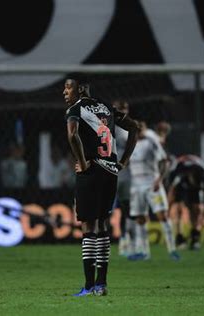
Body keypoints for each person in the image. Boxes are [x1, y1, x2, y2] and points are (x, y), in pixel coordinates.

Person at [63, 78, 139, 296]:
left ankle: (88, 286)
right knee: (103, 225)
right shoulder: (106, 107)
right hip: (110, 171)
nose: (64, 92)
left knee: (88, 226)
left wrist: (83, 162)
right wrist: (123, 162)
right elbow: (134, 128)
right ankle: (102, 284)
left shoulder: (75, 109)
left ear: (80, 89)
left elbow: (72, 135)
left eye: (68, 87)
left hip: (91, 171)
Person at [128, 121, 180, 261]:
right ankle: (143, 252)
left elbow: (164, 161)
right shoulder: (130, 144)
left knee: (162, 215)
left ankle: (172, 250)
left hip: (152, 184)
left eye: (141, 129)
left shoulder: (151, 143)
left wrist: (159, 180)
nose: (139, 132)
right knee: (140, 218)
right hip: (136, 186)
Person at [168, 154, 204, 250]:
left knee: (196, 209)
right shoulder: (178, 174)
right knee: (178, 208)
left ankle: (195, 237)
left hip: (193, 172)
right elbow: (171, 194)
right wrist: (168, 210)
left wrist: (203, 218)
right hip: (179, 175)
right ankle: (179, 237)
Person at [112, 100, 136, 257]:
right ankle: (104, 242)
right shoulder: (108, 125)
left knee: (127, 209)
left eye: (126, 108)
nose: (124, 110)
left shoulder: (131, 127)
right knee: (106, 211)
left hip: (127, 175)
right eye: (121, 108)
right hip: (111, 173)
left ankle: (126, 241)